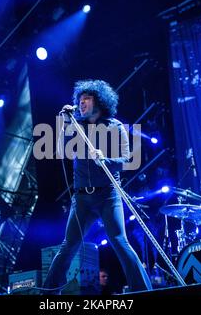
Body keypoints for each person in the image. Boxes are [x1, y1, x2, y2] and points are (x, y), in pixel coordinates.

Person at [43, 79, 152, 294]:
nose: (82, 103)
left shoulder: (115, 126)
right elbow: (62, 151)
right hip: (82, 198)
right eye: (80, 99)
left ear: (99, 101)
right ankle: (48, 294)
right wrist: (65, 123)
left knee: (120, 241)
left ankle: (143, 290)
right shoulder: (77, 126)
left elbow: (126, 160)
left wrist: (106, 159)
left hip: (108, 196)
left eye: (87, 99)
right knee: (68, 245)